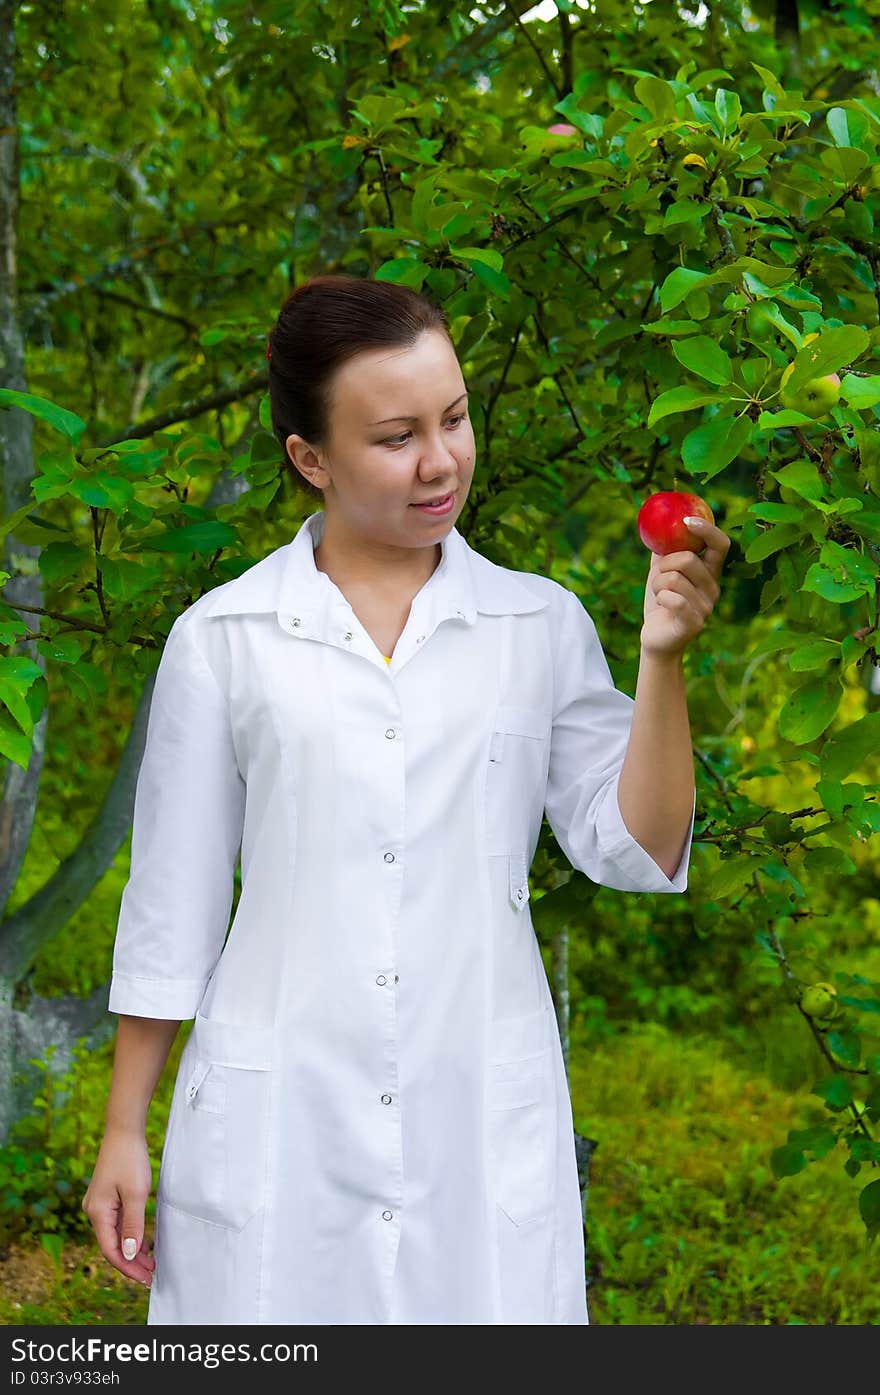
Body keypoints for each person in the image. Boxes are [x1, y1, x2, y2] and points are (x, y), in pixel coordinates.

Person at [82, 273, 729, 1325]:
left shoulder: (538, 624)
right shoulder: (225, 636)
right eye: (395, 437)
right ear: (310, 458)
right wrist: (123, 1130)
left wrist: (663, 662)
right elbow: (172, 907)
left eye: (456, 418)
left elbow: (636, 847)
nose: (441, 462)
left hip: (476, 1110)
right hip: (276, 1113)